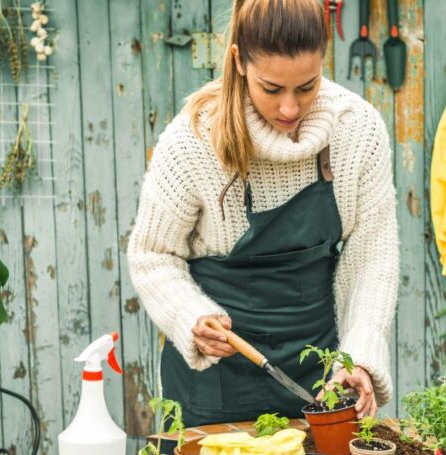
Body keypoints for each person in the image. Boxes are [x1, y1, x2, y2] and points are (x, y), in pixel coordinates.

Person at [128, 0, 399, 427]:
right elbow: (152, 255)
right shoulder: (194, 139)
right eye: (271, 89)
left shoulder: (357, 130)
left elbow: (372, 254)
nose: (290, 109)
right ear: (238, 61)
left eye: (307, 87)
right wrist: (190, 316)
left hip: (319, 379)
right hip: (214, 387)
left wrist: (357, 356)